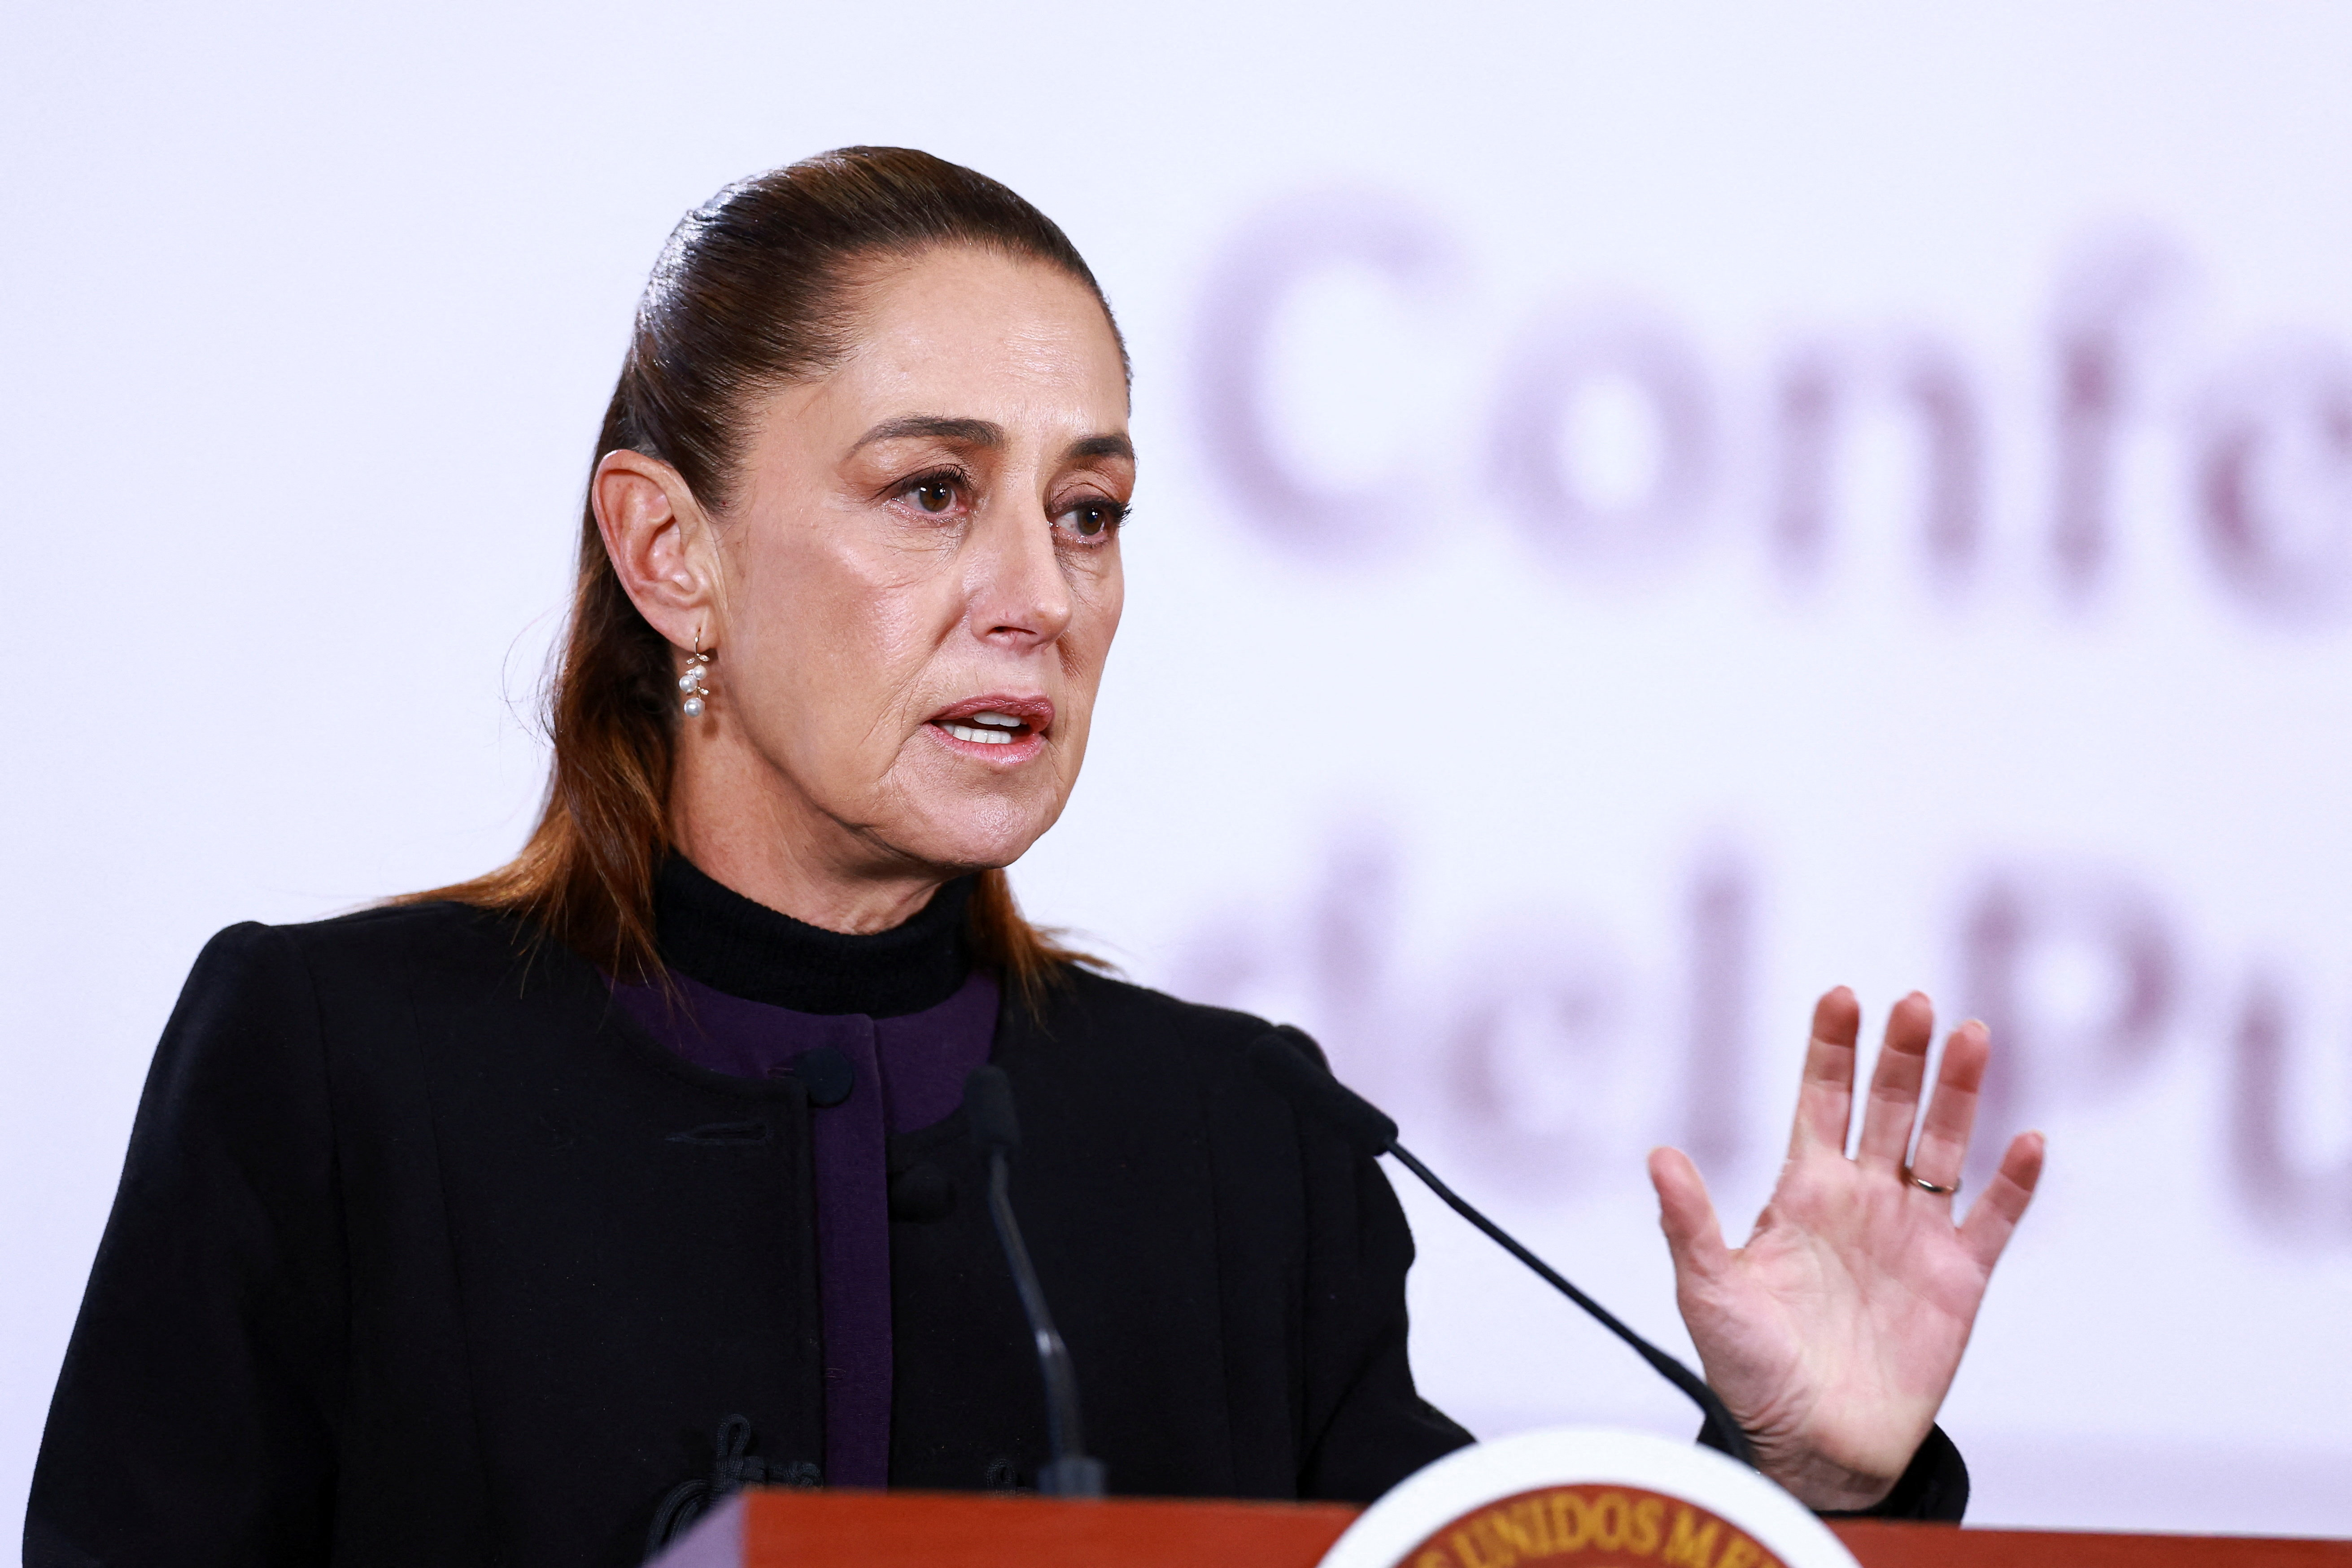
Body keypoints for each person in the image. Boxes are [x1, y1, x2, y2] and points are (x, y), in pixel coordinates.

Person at [26, 148, 2046, 1568]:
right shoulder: (339, 1067)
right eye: (931, 493)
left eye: (1090, 513)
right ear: (671, 551)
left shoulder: (1236, 1145)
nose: (1038, 596)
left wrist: (1803, 1480)